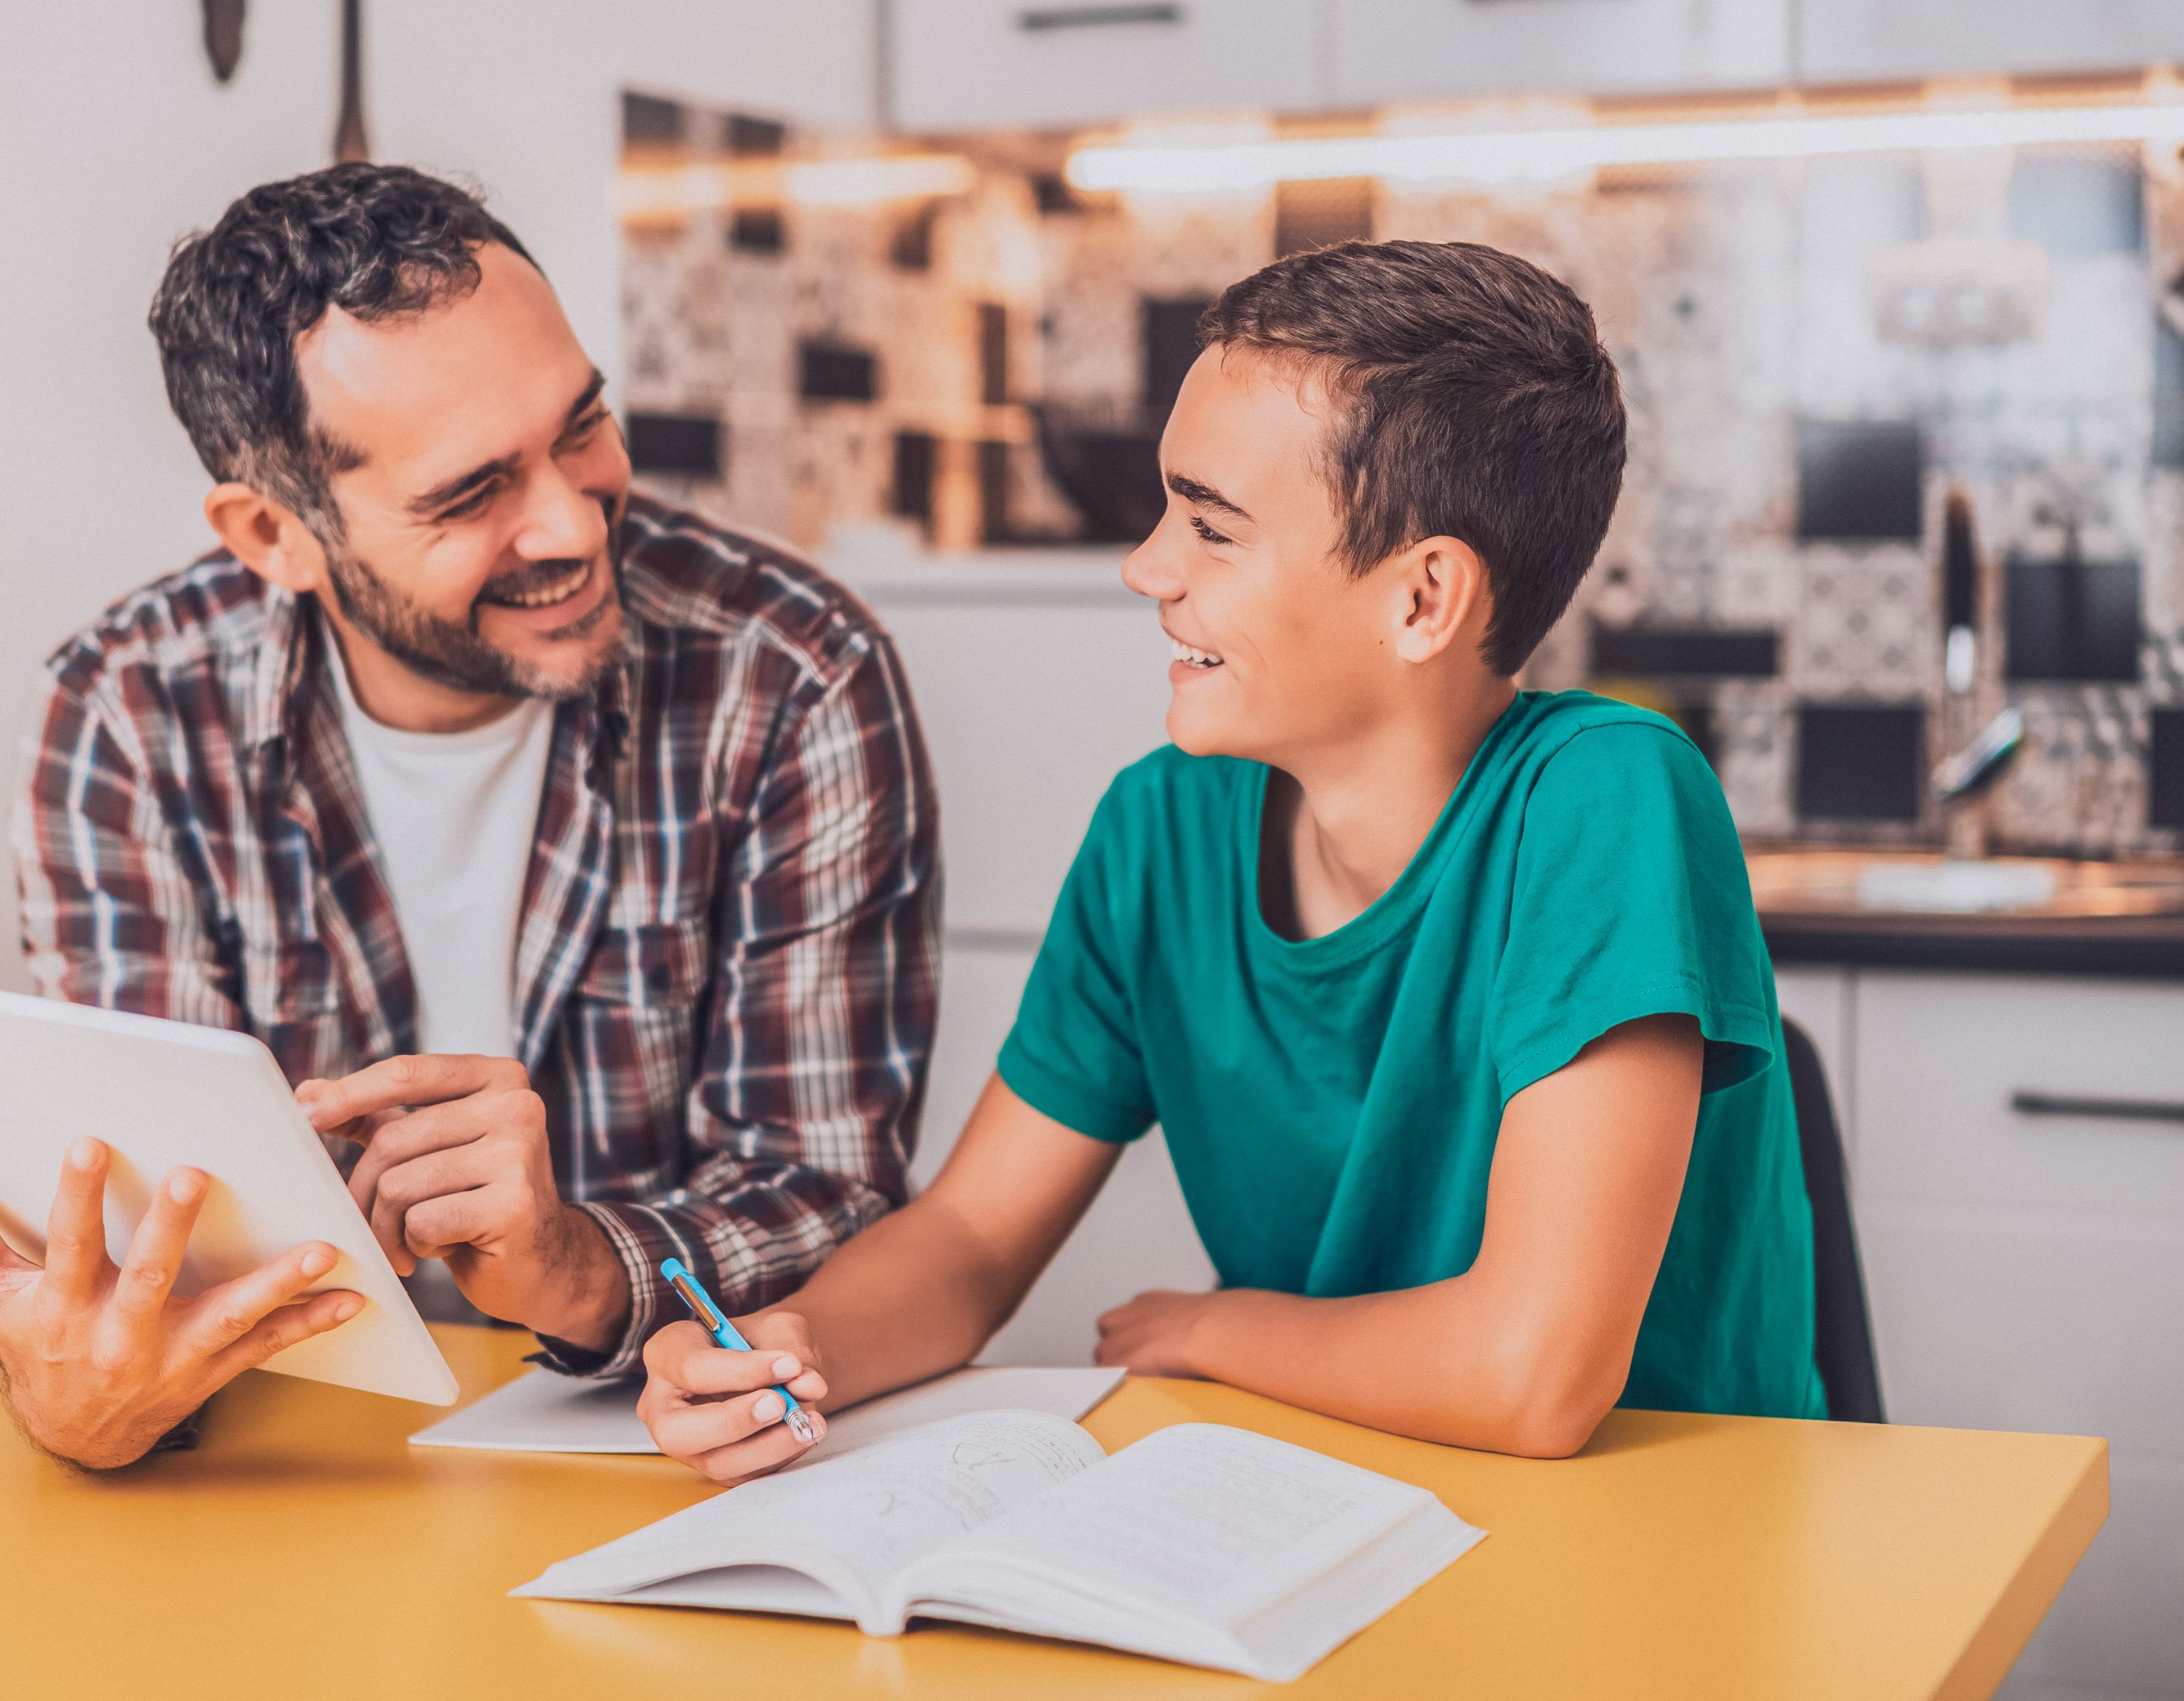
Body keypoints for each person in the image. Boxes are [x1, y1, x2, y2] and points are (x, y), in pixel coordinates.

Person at [639, 240, 1824, 1480]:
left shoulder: (1606, 795)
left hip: (1663, 1523)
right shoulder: (1161, 830)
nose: (1146, 568)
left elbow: (1534, 1380)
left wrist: (1214, 1327)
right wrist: (781, 1345)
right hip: (1334, 1493)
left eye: (1210, 528)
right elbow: (976, 1237)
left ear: (1423, 601)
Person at [0, 164, 941, 1470]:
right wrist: (79, 1395)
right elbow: (140, 1237)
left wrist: (578, 1268)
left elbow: (826, 1185)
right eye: (470, 494)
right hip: (295, 1460)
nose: (572, 523)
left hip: (664, 1459)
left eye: (582, 428)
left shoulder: (789, 671)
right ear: (274, 535)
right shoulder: (129, 714)